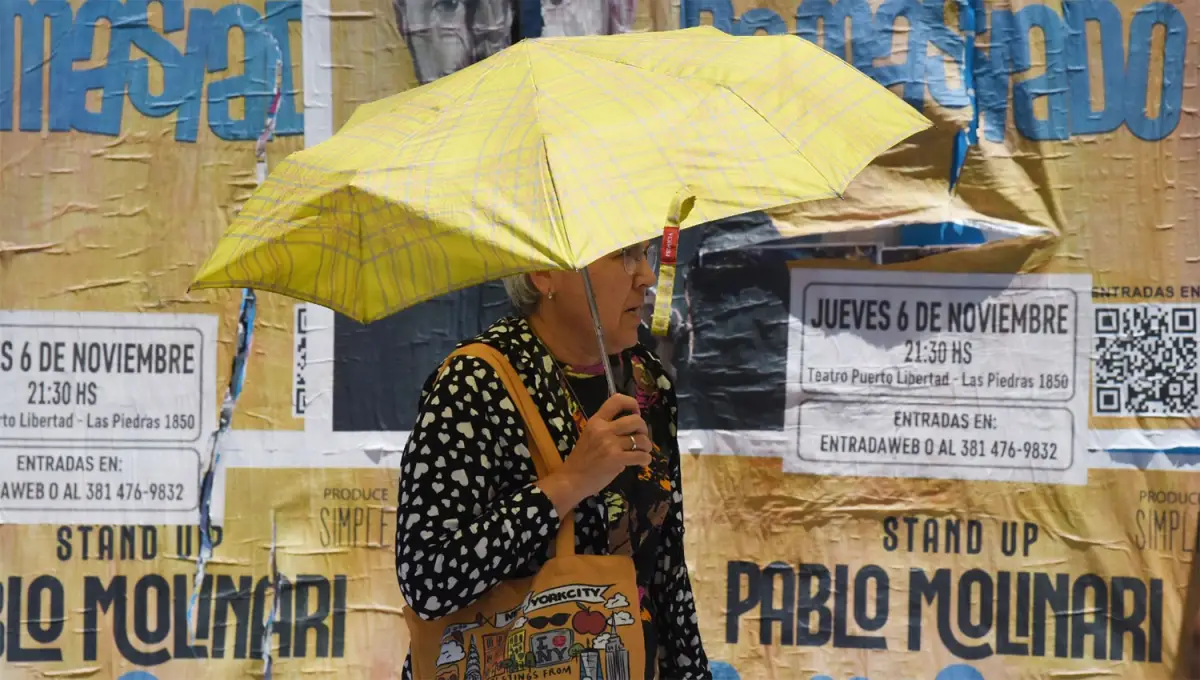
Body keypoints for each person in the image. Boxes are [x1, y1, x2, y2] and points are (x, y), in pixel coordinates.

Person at [394, 241, 712, 679]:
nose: (645, 276)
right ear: (543, 274)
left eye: (646, 254)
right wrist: (567, 485)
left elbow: (664, 568)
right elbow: (427, 579)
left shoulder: (645, 380)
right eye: (623, 255)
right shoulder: (473, 383)